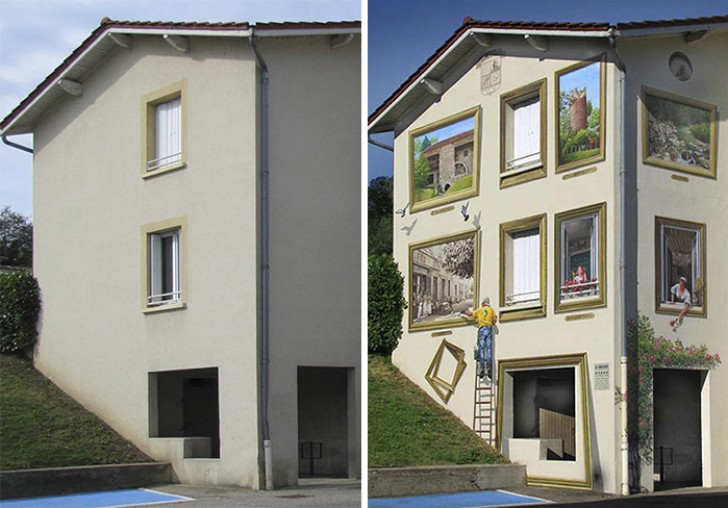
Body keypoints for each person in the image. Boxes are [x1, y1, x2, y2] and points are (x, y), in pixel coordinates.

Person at [464, 297, 498, 380]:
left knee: (482, 349)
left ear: (483, 303)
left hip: (482, 329)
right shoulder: (491, 310)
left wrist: (464, 312)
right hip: (489, 329)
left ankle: (482, 368)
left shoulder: (480, 310)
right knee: (489, 349)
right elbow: (495, 320)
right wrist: (491, 322)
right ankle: (489, 368)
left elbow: (471, 314)